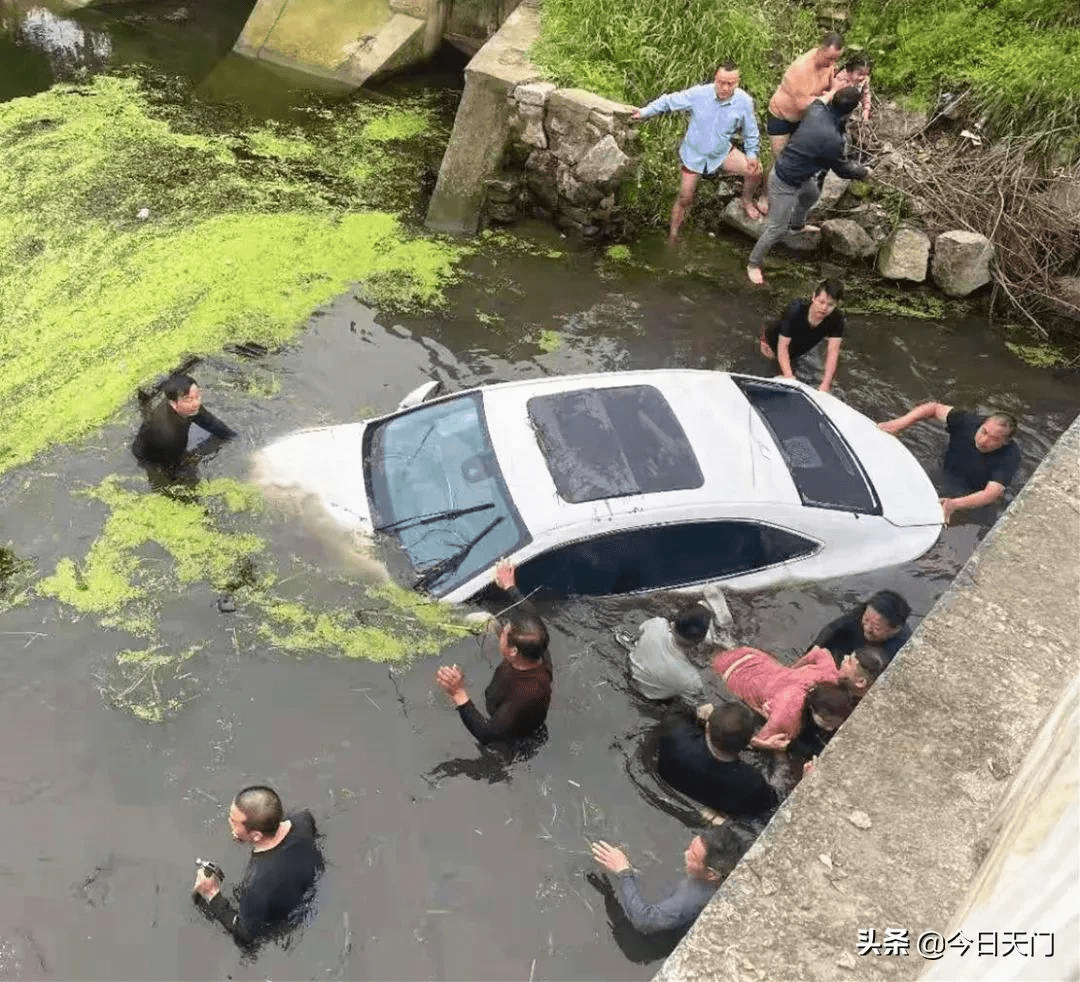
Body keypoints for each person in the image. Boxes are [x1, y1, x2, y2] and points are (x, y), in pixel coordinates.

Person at [747, 86, 870, 285]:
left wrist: (835, 89)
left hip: (801, 175)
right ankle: (753, 264)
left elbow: (822, 100)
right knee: (776, 229)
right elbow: (842, 169)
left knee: (811, 195)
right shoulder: (833, 139)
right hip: (784, 181)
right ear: (850, 111)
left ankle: (796, 226)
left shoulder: (817, 110)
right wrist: (864, 173)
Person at [631, 61, 765, 240]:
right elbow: (669, 101)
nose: (724, 87)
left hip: (721, 152)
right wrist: (644, 112)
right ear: (715, 78)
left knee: (756, 171)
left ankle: (746, 200)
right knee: (685, 198)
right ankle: (673, 235)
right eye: (721, 82)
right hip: (694, 155)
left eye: (730, 83)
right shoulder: (699, 94)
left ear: (737, 82)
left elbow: (751, 132)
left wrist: (751, 155)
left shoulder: (744, 101)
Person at [435, 560, 552, 744]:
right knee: (487, 622)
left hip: (510, 737)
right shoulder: (537, 642)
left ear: (513, 651)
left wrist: (459, 693)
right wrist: (510, 586)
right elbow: (528, 611)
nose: (502, 631)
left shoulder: (524, 694)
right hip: (506, 700)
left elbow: (488, 734)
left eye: (505, 634)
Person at [192, 785, 323, 945]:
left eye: (234, 822)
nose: (229, 823)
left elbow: (246, 934)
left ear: (256, 835)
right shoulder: (304, 819)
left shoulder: (256, 884)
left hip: (289, 922)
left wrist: (212, 894)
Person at [878, 403, 1021, 524]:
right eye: (984, 432)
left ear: (1005, 442)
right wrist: (899, 424)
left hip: (973, 490)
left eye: (994, 439)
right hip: (948, 468)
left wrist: (955, 504)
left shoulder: (1010, 455)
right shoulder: (968, 421)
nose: (984, 441)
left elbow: (991, 494)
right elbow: (933, 408)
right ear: (982, 424)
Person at [711, 644, 876, 750]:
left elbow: (820, 652)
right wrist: (766, 745)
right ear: (815, 711)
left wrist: (792, 669)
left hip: (749, 655)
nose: (845, 659)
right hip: (731, 676)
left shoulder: (831, 674)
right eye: (830, 722)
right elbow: (748, 741)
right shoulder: (788, 716)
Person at [590, 826, 746, 935]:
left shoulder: (692, 898)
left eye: (692, 856)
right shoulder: (732, 854)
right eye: (690, 846)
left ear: (711, 875)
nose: (685, 853)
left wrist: (623, 871)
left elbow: (644, 920)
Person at [656, 703, 779, 818]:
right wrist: (779, 755)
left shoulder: (675, 734)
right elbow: (774, 801)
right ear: (747, 743)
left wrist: (700, 715)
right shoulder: (751, 783)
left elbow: (677, 709)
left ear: (708, 726)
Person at [766, 32, 846, 164]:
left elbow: (831, 82)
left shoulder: (828, 64)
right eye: (829, 58)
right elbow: (802, 104)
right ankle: (767, 184)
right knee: (781, 162)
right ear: (820, 50)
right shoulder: (801, 69)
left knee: (798, 159)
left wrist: (836, 87)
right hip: (781, 116)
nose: (831, 63)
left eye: (835, 59)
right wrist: (832, 92)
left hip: (803, 119)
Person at [132, 372, 236, 471]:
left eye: (197, 395)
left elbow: (216, 427)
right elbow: (174, 467)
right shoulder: (169, 435)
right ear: (173, 404)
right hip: (154, 455)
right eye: (188, 399)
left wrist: (235, 439)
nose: (196, 403)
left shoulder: (189, 406)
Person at [759, 279, 846, 392]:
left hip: (796, 349)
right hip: (772, 344)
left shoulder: (837, 319)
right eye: (821, 302)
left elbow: (833, 353)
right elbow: (782, 347)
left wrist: (825, 384)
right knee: (768, 375)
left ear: (837, 304)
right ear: (814, 297)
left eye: (830, 305)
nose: (824, 308)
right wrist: (789, 377)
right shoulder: (796, 310)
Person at [620, 603, 711, 702]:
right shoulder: (691, 678)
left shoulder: (657, 624)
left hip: (630, 671)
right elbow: (700, 700)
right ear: (700, 641)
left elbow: (640, 631)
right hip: (652, 699)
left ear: (672, 625)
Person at [813, 590, 912, 666]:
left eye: (876, 627)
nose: (867, 628)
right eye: (866, 619)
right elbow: (834, 627)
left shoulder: (900, 647)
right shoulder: (865, 612)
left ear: (895, 629)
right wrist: (817, 646)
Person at [833, 55, 873, 124]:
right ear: (849, 71)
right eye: (860, 74)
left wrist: (866, 110)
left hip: (848, 111)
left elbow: (866, 95)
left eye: (866, 74)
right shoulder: (841, 79)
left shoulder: (863, 81)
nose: (863, 77)